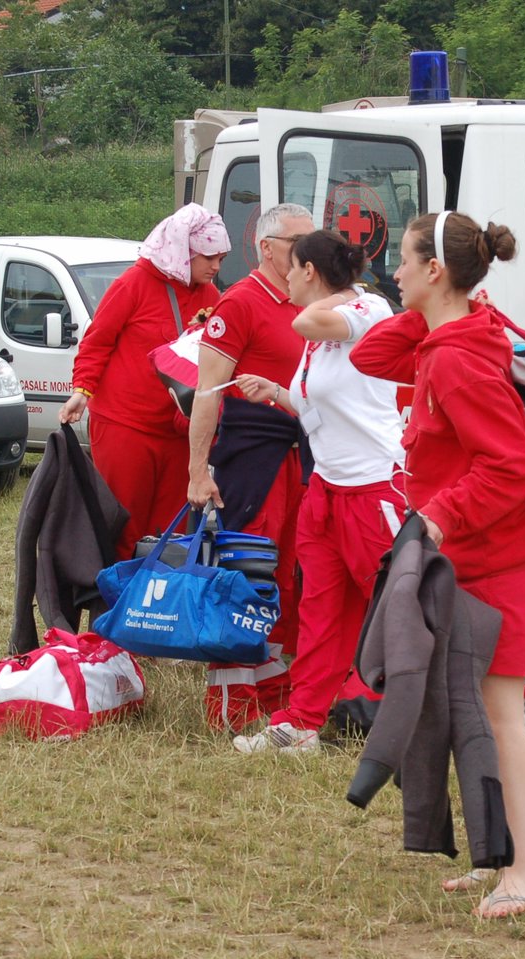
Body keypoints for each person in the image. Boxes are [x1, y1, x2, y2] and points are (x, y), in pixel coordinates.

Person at [352, 210, 525, 920]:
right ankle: (496, 856)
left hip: (502, 561)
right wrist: (443, 312)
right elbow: (368, 357)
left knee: (502, 717)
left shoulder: (461, 356)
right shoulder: (453, 338)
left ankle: (521, 873)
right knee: (472, 712)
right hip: (469, 558)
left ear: (434, 269)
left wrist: (438, 516)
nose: (393, 273)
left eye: (406, 263)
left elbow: (506, 467)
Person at [229, 230, 401, 753]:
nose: (284, 276)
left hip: (375, 487)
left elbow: (307, 319)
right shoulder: (318, 331)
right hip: (326, 488)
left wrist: (314, 300)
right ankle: (302, 723)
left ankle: (462, 705)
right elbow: (318, 405)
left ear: (311, 272)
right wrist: (278, 393)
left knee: (400, 610)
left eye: (292, 266)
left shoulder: (367, 310)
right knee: (321, 612)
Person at [186, 203, 315, 731]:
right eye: (297, 244)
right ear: (266, 248)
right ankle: (234, 701)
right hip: (252, 461)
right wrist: (198, 470)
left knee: (293, 576)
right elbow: (206, 393)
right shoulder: (240, 303)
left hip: (303, 457)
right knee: (246, 577)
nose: (309, 255)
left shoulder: (315, 304)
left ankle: (282, 689)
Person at [61, 204, 228, 560]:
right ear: (184, 252)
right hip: (127, 426)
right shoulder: (133, 285)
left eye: (221, 259)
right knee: (124, 525)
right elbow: (97, 341)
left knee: (169, 532)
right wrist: (82, 391)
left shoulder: (212, 297)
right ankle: (112, 604)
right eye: (208, 258)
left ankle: (154, 608)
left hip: (179, 432)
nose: (215, 267)